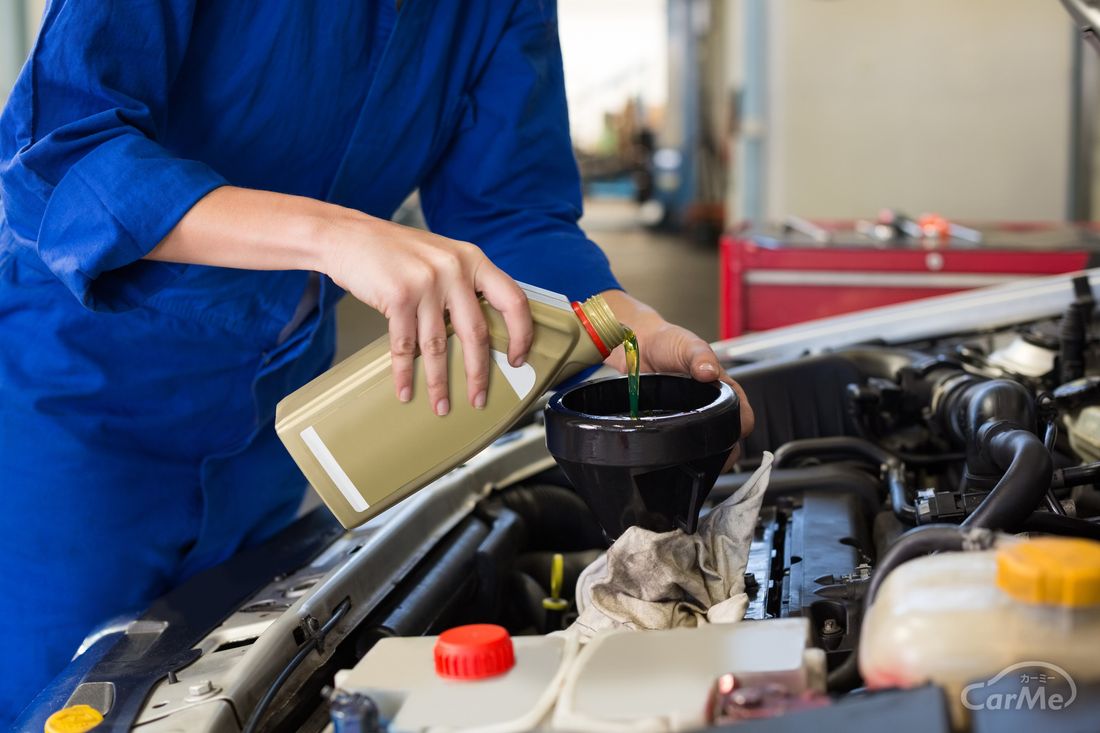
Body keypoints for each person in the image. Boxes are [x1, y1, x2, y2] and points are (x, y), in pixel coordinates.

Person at [0, 0, 754, 722]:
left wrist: (628, 323)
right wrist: (334, 236)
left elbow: (509, 215)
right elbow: (61, 157)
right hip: (73, 410)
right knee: (59, 703)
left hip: (274, 420)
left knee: (221, 696)